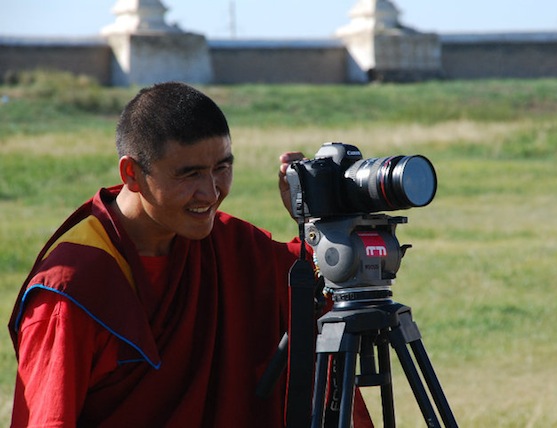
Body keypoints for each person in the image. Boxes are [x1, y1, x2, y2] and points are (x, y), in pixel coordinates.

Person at [8, 82, 372, 427]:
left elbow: (324, 280)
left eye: (221, 168)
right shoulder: (75, 287)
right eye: (190, 174)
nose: (210, 193)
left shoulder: (228, 244)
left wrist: (318, 222)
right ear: (132, 173)